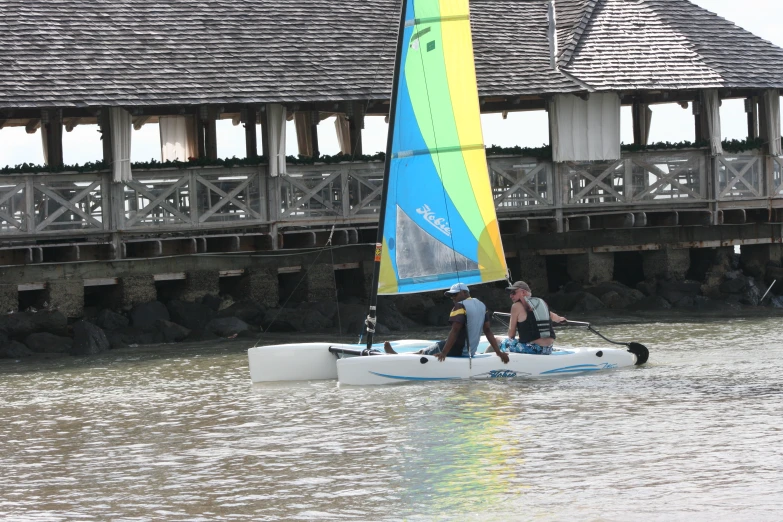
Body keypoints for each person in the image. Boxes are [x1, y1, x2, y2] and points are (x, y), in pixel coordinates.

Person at [384, 282, 509, 364]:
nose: (452, 298)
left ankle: (396, 356)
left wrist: (444, 352)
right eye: (451, 296)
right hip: (469, 351)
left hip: (456, 350)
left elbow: (455, 330)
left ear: (465, 293)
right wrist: (498, 352)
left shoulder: (460, 306)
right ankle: (397, 354)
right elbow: (487, 330)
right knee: (426, 349)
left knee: (423, 352)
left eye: (455, 295)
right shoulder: (482, 306)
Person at [502, 281, 566, 355]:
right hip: (548, 349)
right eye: (510, 293)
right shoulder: (541, 303)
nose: (510, 296)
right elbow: (554, 316)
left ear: (523, 292)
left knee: (497, 341)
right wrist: (560, 319)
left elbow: (511, 335)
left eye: (513, 293)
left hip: (533, 349)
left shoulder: (516, 306)